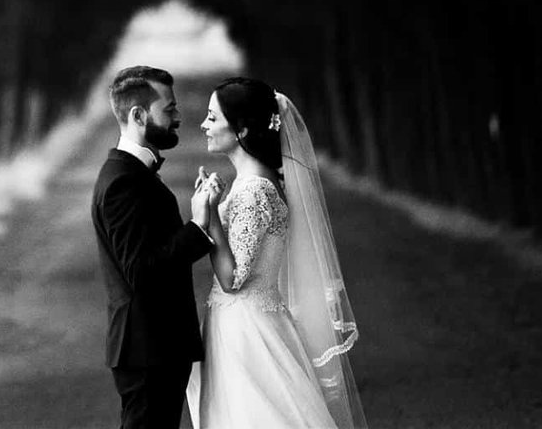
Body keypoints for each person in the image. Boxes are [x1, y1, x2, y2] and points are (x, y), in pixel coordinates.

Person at [187, 76, 366, 429]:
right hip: (249, 321)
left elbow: (233, 279)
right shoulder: (256, 182)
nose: (204, 125)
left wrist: (209, 217)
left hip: (246, 330)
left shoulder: (254, 190)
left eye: (212, 117)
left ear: (241, 129)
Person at [92, 65, 222, 429]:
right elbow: (141, 271)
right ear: (138, 115)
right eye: (169, 109)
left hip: (156, 348)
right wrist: (197, 226)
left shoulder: (132, 174)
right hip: (147, 349)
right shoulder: (123, 181)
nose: (178, 117)